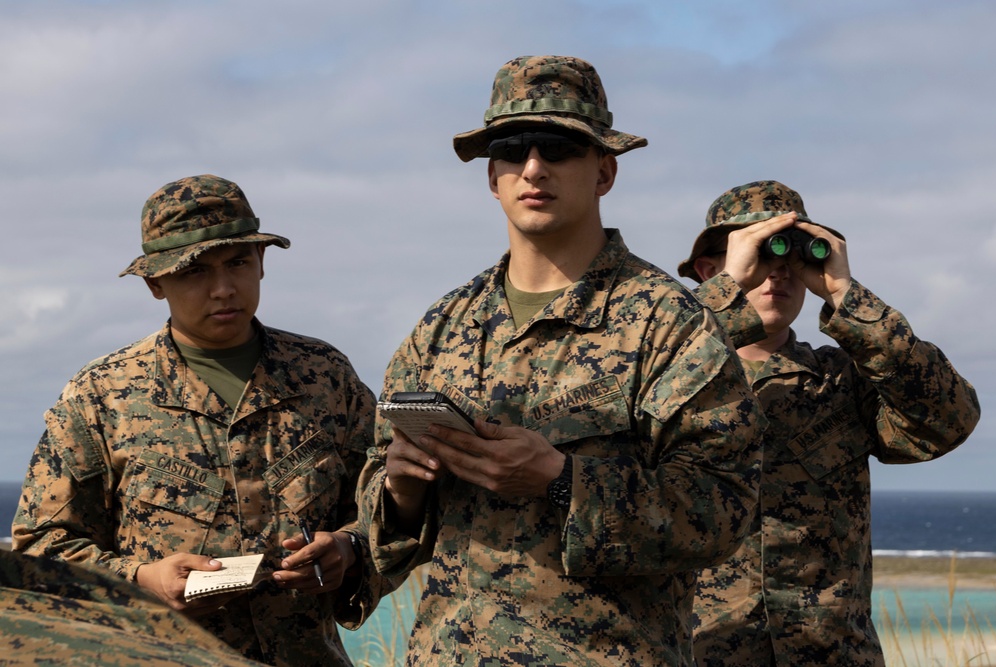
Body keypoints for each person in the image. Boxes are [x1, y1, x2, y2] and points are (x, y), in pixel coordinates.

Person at [355, 55, 767, 666]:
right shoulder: (442, 328)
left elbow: (723, 508)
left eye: (558, 147)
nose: (533, 167)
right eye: (512, 150)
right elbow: (375, 513)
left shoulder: (668, 324)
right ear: (491, 178)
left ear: (604, 171)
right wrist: (401, 486)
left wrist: (564, 482)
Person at [12, 174, 393, 667]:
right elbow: (41, 549)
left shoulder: (324, 375)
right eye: (194, 272)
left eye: (238, 263)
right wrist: (141, 579)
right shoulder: (102, 395)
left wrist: (348, 548)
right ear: (155, 283)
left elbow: (386, 503)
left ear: (261, 263)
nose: (223, 289)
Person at [677, 180, 981, 666]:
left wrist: (847, 297)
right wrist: (724, 295)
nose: (777, 275)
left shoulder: (842, 380)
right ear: (710, 269)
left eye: (794, 259)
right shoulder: (666, 379)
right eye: (760, 256)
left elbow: (949, 421)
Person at [0, 549, 266, 667]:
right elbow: (40, 549)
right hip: (160, 651)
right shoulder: (97, 432)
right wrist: (139, 579)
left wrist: (309, 557)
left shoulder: (306, 431)